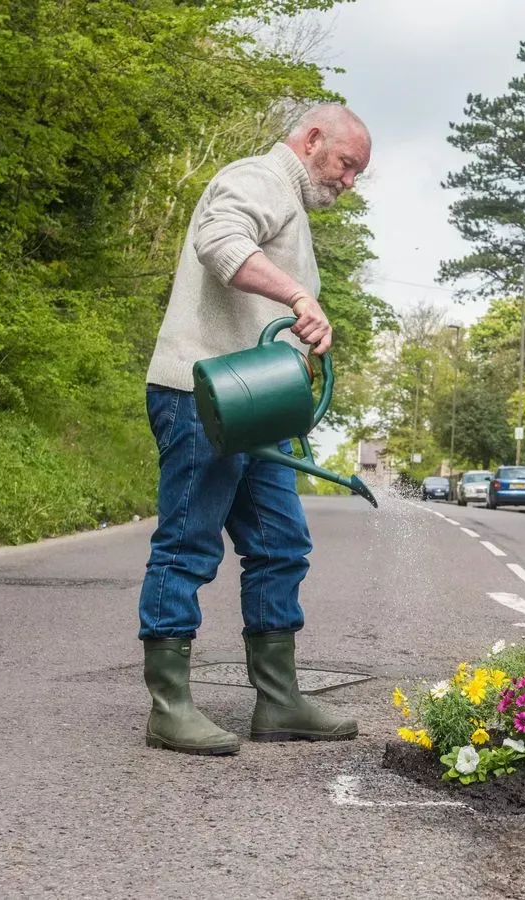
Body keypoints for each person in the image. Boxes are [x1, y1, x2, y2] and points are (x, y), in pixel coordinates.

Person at [137, 104, 372, 755]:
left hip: (256, 410)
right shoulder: (259, 179)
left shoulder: (291, 206)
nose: (350, 181)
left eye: (358, 173)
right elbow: (219, 240)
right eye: (347, 164)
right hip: (201, 394)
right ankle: (169, 705)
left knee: (280, 544)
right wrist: (300, 298)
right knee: (187, 544)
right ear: (313, 138)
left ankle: (278, 701)